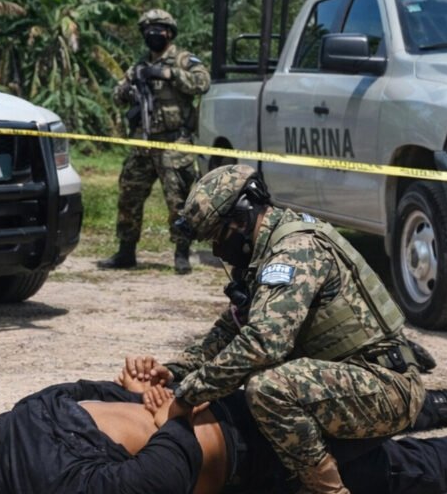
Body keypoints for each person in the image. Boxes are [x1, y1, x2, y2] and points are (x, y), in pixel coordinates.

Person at [154, 164, 425, 493]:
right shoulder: (266, 249)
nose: (215, 250)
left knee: (268, 388)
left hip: (385, 385)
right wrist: (173, 371)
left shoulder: (294, 252)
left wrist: (186, 396)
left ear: (241, 218)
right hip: (354, 378)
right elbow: (230, 331)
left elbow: (263, 343)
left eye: (217, 236)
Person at [0, 368, 447, 493]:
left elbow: (157, 479)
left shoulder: (48, 479)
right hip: (237, 425)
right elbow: (113, 389)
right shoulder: (38, 406)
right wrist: (166, 398)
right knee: (382, 442)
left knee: (412, 469)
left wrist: (174, 418)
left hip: (247, 451)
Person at [98, 9, 210, 275]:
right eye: (148, 29)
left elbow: (203, 82)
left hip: (174, 144)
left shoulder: (183, 59)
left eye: (158, 29)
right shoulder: (139, 65)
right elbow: (117, 92)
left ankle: (181, 253)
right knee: (129, 195)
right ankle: (126, 251)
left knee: (179, 201)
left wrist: (170, 75)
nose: (153, 34)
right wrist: (126, 90)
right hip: (143, 144)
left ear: (169, 33)